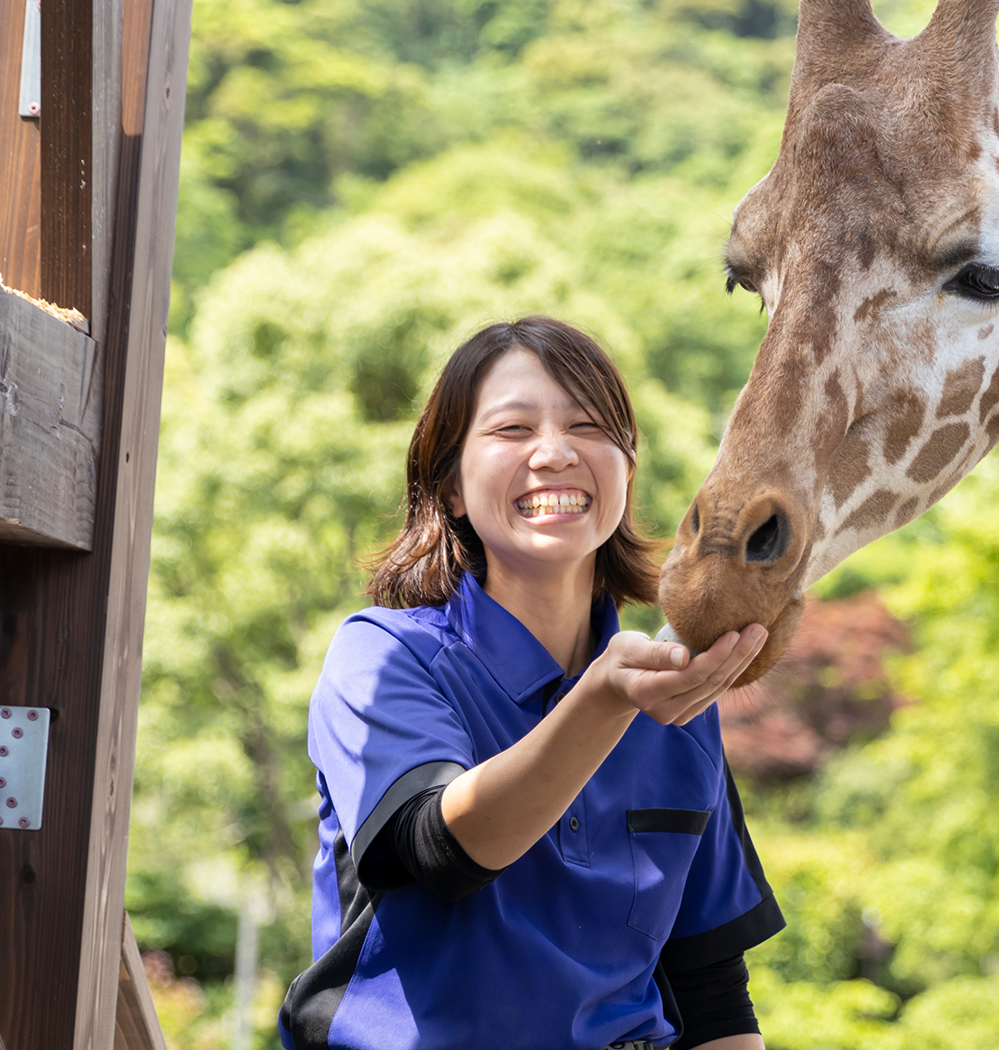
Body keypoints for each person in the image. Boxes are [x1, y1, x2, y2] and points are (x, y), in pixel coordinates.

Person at [279, 317, 777, 1050]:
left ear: (626, 469)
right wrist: (603, 701)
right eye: (512, 430)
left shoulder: (671, 695)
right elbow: (441, 849)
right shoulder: (384, 656)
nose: (554, 453)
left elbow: (710, 982)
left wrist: (618, 689)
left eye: (588, 426)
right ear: (448, 486)